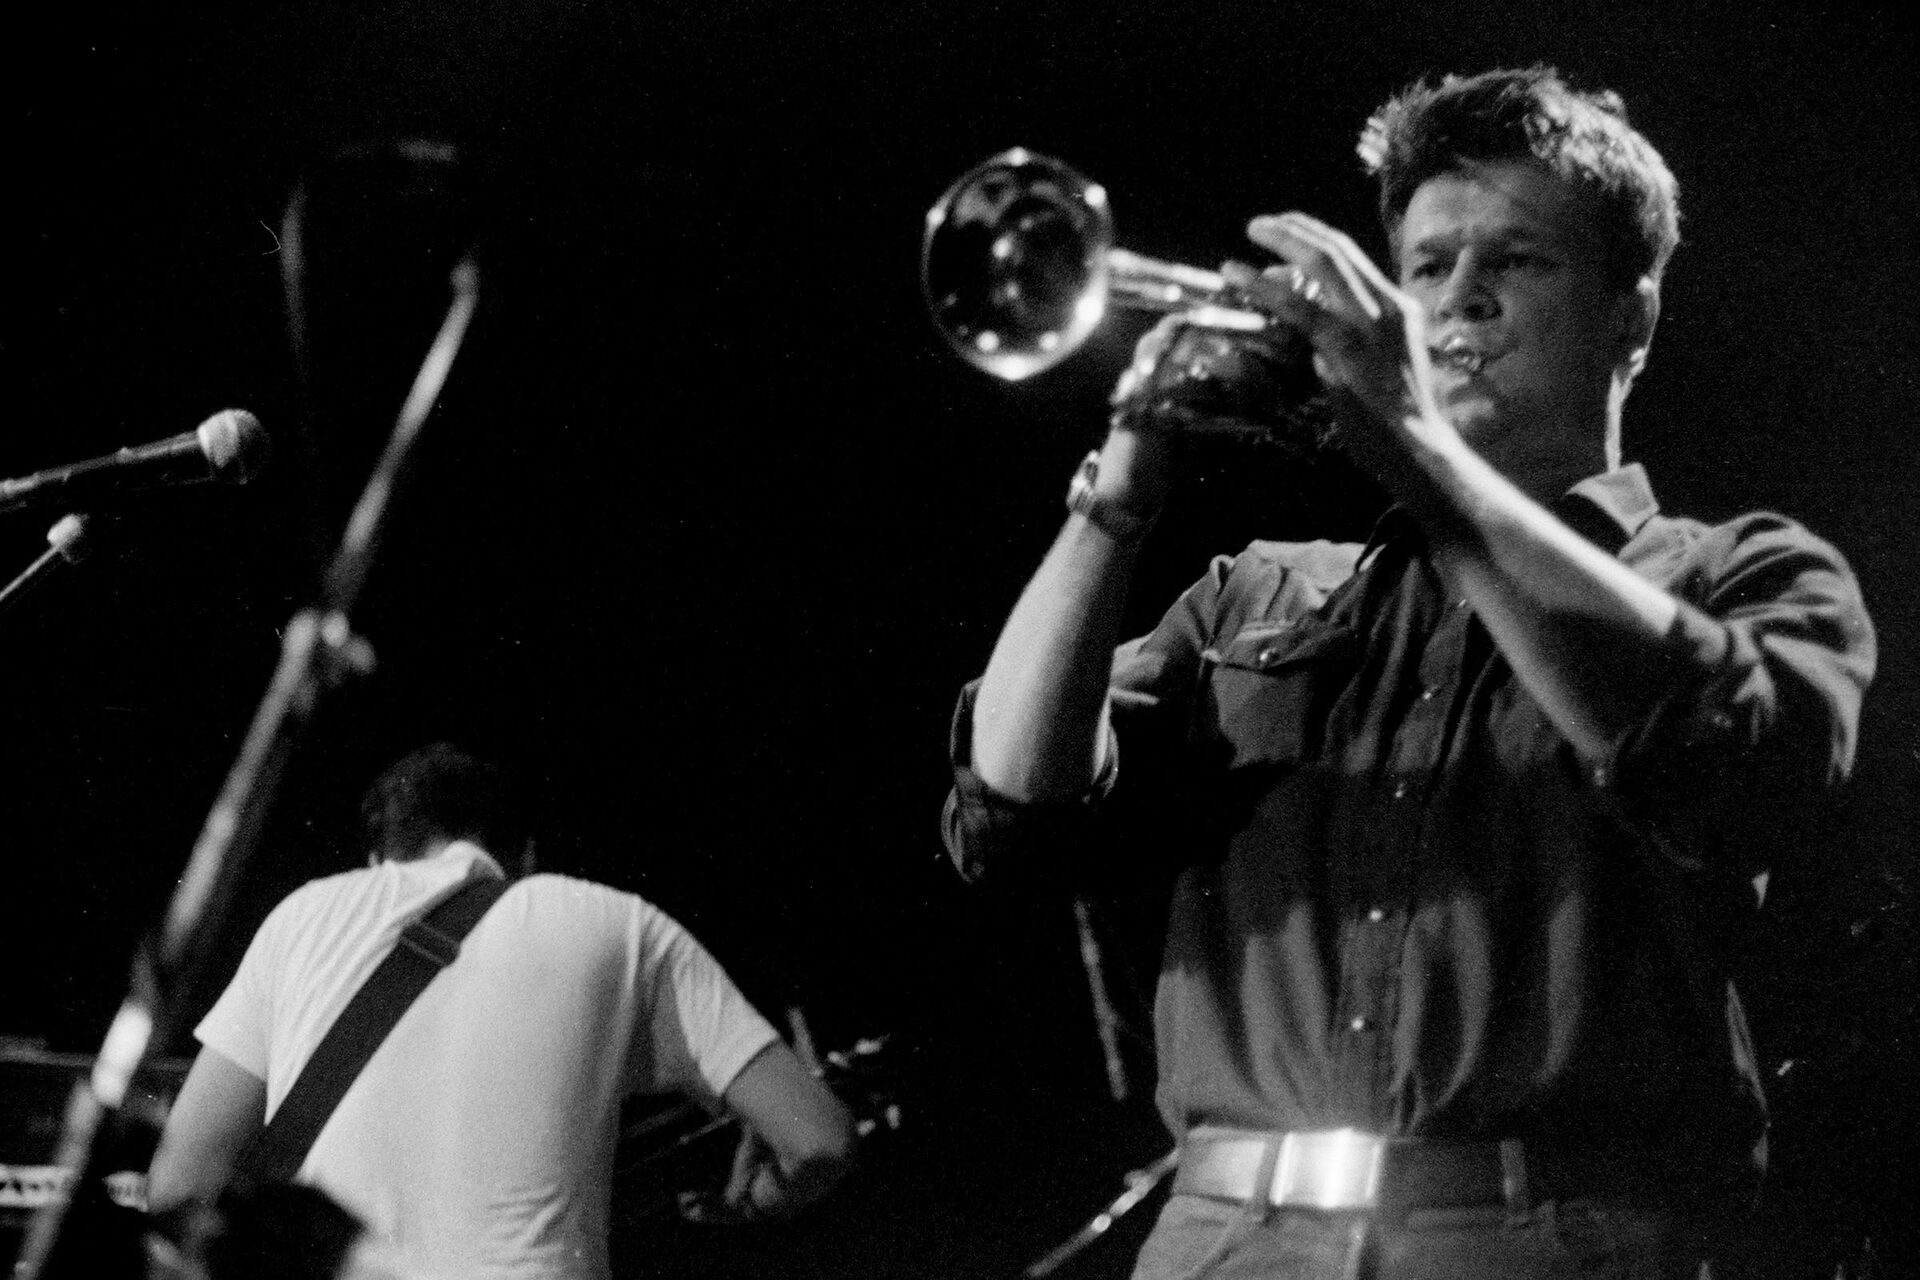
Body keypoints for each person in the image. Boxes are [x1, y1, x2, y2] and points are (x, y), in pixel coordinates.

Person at [943, 67, 1875, 1279]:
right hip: (1224, 1241)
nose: (1459, 301)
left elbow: (1718, 763)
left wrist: (1417, 445)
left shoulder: (1740, 571)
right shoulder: (1262, 587)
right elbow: (1012, 810)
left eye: (1518, 261)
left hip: (1547, 1239)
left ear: (1632, 317)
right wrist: (1114, 497)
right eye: (1427, 267)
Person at [146, 742, 855, 1279]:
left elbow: (177, 1184)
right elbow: (819, 1141)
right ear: (527, 856)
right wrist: (758, 1201)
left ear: (376, 859)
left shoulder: (302, 916)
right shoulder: (621, 923)